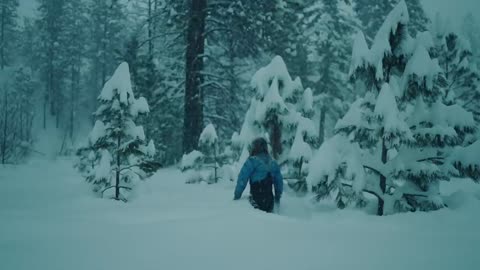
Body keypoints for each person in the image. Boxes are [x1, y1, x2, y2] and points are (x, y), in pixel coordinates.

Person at [233, 137, 283, 213]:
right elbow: (279, 181)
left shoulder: (252, 161)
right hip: (270, 201)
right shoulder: (273, 162)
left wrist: (237, 196)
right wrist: (277, 197)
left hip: (256, 200)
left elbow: (242, 179)